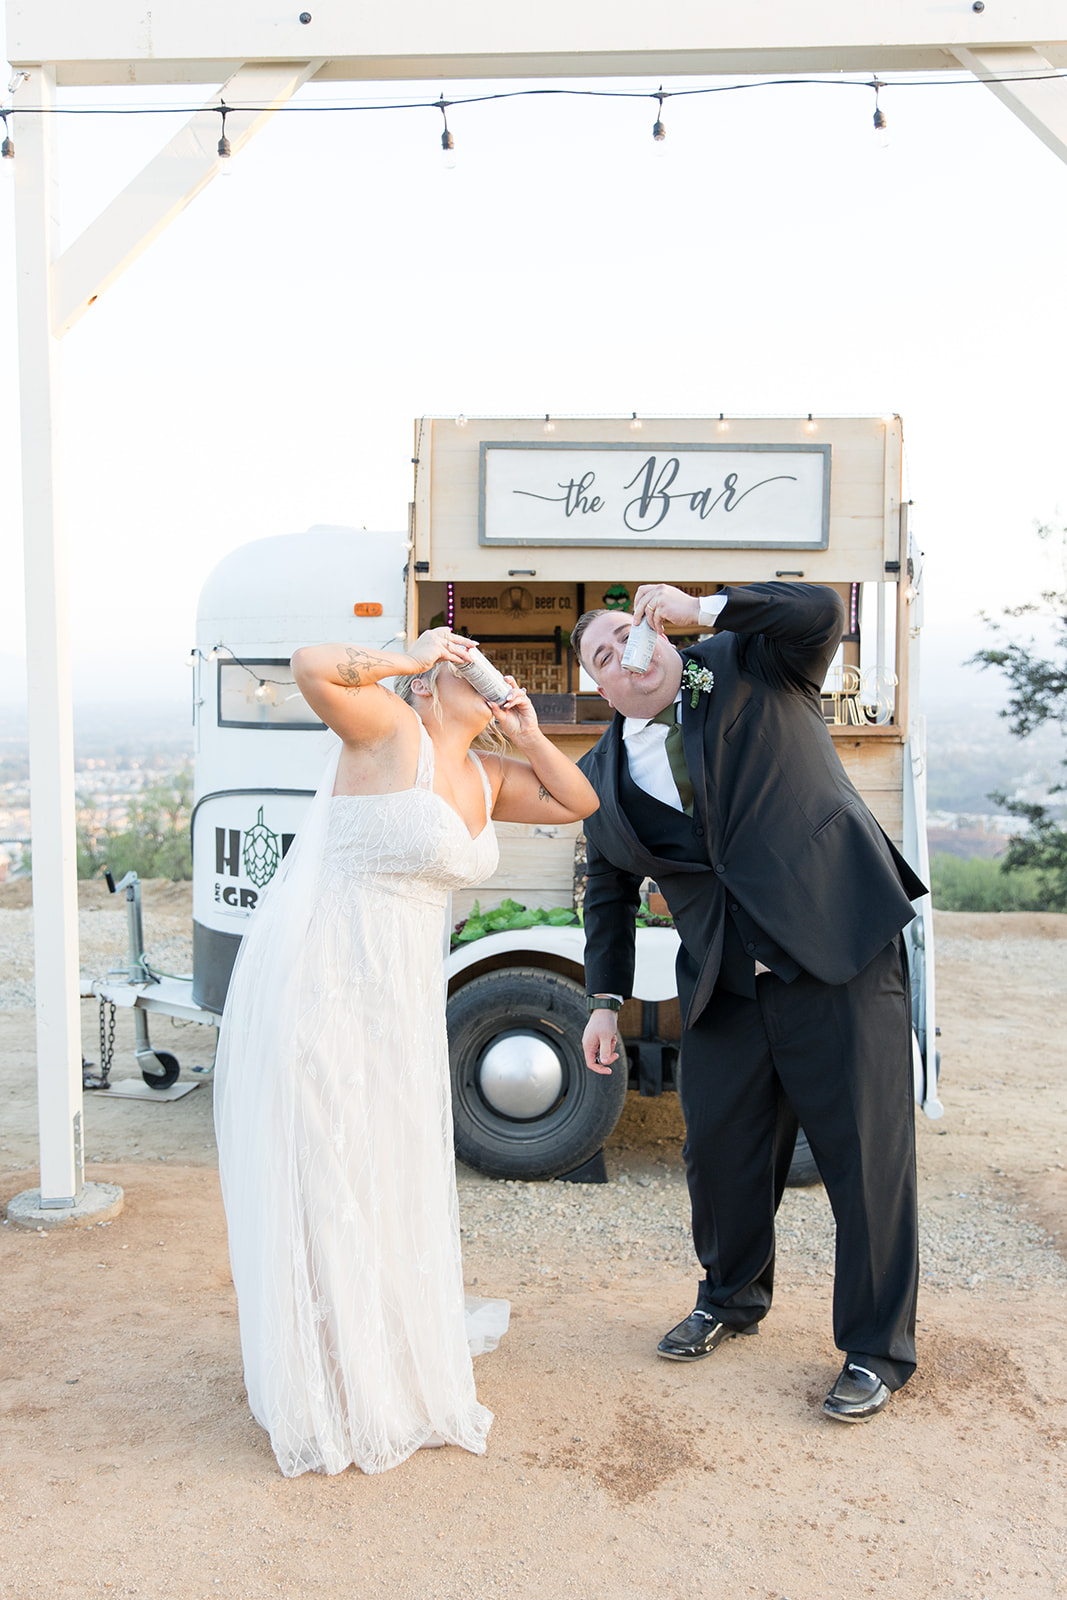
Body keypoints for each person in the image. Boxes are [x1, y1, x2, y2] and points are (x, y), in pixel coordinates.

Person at [214, 627, 599, 1476]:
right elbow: (311, 666)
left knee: (386, 1162)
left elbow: (578, 802)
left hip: (400, 998)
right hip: (326, 978)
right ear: (428, 685)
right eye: (467, 668)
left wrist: (530, 734)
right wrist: (413, 654)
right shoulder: (387, 731)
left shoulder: (488, 774)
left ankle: (376, 1344)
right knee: (328, 1162)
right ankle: (327, 1369)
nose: (485, 677)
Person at [573, 582, 925, 1423]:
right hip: (723, 983)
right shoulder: (597, 779)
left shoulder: (750, 661)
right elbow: (608, 896)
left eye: (628, 631)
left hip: (836, 945)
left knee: (864, 1157)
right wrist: (602, 1001)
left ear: (658, 637)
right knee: (719, 1153)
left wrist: (706, 608)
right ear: (601, 688)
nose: (625, 653)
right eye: (602, 655)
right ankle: (729, 1299)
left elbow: (819, 613)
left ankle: (874, 1350)